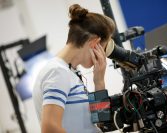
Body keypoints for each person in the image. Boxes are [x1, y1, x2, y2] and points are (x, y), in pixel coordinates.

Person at [32, 4, 115, 133]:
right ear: (94, 43)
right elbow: (49, 128)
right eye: (102, 48)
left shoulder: (69, 72)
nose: (103, 55)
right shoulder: (57, 72)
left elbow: (101, 121)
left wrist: (99, 82)